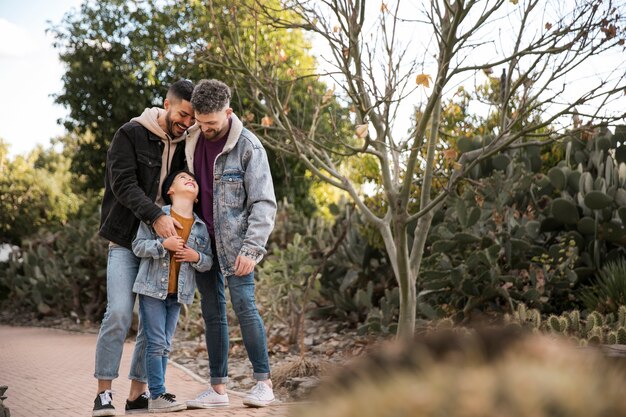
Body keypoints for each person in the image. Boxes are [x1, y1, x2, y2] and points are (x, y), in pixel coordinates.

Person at [93, 80, 195, 417]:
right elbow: (121, 182)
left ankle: (137, 396)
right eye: (183, 114)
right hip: (126, 237)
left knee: (152, 323)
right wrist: (154, 216)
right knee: (120, 313)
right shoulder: (131, 133)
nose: (187, 123)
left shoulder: (185, 145)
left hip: (161, 246)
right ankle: (103, 393)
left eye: (192, 119)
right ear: (167, 103)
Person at [183, 79, 277, 409]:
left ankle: (264, 383)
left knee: (244, 306)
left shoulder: (249, 147)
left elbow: (264, 202)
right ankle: (218, 390)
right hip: (201, 244)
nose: (205, 128)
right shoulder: (191, 140)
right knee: (212, 313)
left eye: (212, 122)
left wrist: (252, 249)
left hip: (238, 246)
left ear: (229, 112)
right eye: (200, 121)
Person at [132, 169, 213, 413]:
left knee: (165, 344)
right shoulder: (156, 218)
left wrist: (195, 255)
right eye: (182, 178)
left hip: (178, 294)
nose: (190, 180)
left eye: (194, 180)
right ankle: (157, 394)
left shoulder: (199, 227)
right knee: (156, 343)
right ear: (170, 191)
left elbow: (207, 261)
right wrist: (161, 245)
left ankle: (158, 394)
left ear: (197, 196)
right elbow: (137, 246)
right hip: (151, 290)